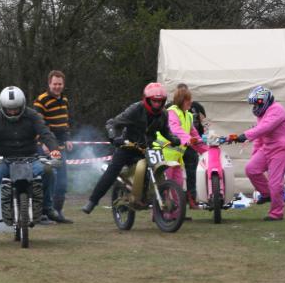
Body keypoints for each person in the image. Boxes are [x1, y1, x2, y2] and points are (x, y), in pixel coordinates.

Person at [81, 82, 181, 215]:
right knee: (112, 172)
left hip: (147, 149)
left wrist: (173, 139)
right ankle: (92, 201)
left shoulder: (163, 114)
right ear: (147, 99)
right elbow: (113, 123)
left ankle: (150, 199)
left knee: (156, 171)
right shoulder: (135, 109)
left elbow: (165, 131)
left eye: (160, 101)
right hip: (127, 147)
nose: (157, 104)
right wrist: (113, 137)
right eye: (154, 101)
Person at [0, 86, 64, 228]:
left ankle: (47, 208)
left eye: (16, 108)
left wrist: (54, 150)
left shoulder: (32, 115)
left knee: (49, 171)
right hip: (4, 160)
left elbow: (46, 133)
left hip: (31, 158)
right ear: (2, 106)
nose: (12, 112)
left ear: (22, 105)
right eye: (8, 109)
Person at [229, 86, 285, 221]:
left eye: (256, 103)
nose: (254, 106)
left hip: (281, 149)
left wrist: (244, 135)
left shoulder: (277, 110)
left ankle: (276, 213)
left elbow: (264, 128)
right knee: (251, 169)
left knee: (275, 183)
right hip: (268, 148)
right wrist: (254, 156)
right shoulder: (263, 114)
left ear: (263, 101)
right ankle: (266, 194)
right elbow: (260, 135)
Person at [33, 70, 74, 223]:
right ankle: (42, 213)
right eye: (55, 84)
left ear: (63, 85)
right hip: (45, 146)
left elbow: (65, 122)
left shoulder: (65, 100)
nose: (57, 87)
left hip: (60, 147)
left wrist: (68, 138)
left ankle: (57, 213)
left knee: (62, 181)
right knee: (48, 178)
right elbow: (37, 124)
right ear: (49, 84)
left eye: (60, 84)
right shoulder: (41, 100)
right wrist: (43, 142)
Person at [161, 85, 207, 211]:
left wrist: (208, 151)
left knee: (178, 185)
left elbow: (195, 135)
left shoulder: (188, 115)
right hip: (165, 156)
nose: (190, 102)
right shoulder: (172, 112)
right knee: (166, 186)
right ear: (181, 100)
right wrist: (188, 140)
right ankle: (159, 214)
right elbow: (176, 130)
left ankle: (177, 214)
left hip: (176, 158)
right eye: (188, 100)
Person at [180, 83, 208, 207]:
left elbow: (204, 121)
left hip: (192, 144)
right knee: (176, 174)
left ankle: (192, 199)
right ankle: (178, 200)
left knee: (192, 173)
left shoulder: (196, 106)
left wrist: (202, 139)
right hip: (177, 145)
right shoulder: (170, 108)